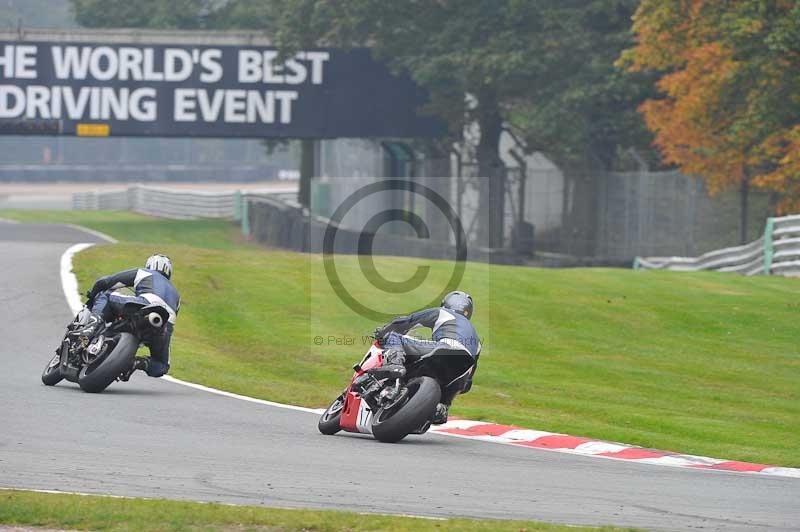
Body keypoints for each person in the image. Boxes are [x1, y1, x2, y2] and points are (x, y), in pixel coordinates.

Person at [373, 290, 481, 425]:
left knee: (393, 337)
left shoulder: (443, 312)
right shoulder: (477, 341)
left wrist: (383, 331)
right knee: (452, 388)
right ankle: (441, 408)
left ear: (446, 304)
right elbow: (467, 384)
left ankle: (395, 365)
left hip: (445, 349)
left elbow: (407, 321)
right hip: (462, 371)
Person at [84, 254, 180, 378]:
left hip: (144, 305)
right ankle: (135, 363)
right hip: (164, 326)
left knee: (105, 295)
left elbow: (106, 281)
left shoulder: (144, 272)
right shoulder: (177, 295)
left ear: (149, 265)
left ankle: (90, 327)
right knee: (162, 365)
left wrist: (92, 296)